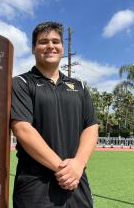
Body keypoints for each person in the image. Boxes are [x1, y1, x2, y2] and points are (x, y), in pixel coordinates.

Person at [11, 21, 98, 208]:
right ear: (34, 48)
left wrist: (78, 165)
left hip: (76, 181)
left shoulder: (79, 86)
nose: (50, 46)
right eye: (43, 42)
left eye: (55, 41)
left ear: (62, 48)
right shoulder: (21, 83)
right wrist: (64, 169)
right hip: (36, 185)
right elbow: (22, 129)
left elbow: (91, 127)